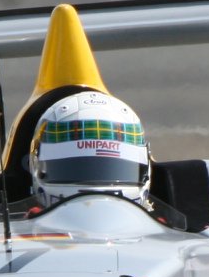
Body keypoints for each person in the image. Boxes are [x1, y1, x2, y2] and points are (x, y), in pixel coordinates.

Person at [26, 92, 185, 228]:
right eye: (74, 168)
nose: (94, 187)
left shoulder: (164, 229)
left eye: (113, 168)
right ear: (34, 165)